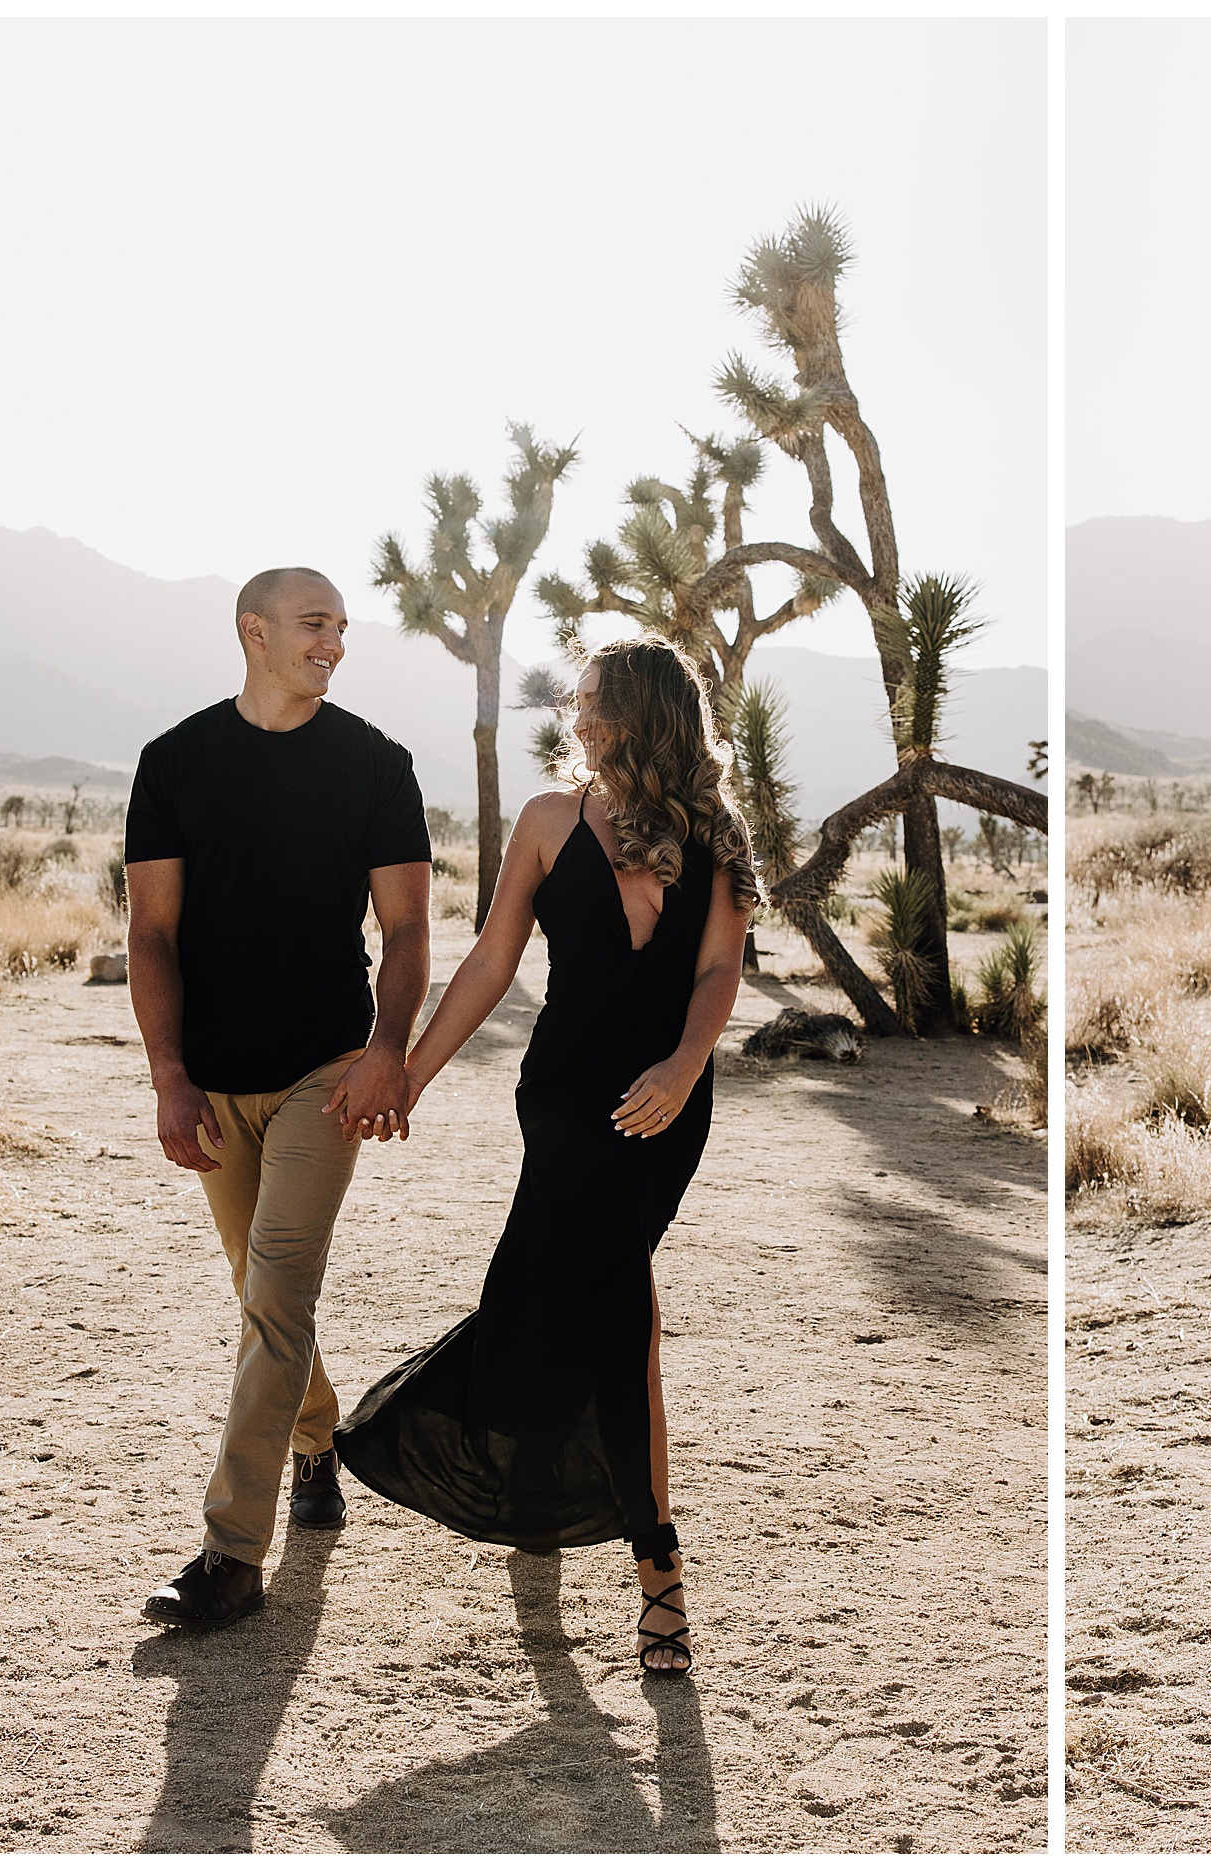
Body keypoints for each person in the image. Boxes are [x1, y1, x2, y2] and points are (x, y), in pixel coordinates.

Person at [335, 634, 752, 1675]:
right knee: (621, 1310)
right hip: (566, 1097)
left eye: (595, 700)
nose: (576, 714)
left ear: (644, 712)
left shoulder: (720, 835)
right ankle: (659, 1569)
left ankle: (537, 1489)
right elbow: (490, 957)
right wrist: (412, 1071)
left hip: (665, 1103)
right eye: (576, 699)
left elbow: (716, 973)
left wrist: (684, 1065)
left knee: (559, 1299)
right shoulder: (547, 821)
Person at [131, 567, 433, 1627]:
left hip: (324, 1071)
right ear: (254, 632)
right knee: (257, 1290)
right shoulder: (174, 762)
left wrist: (386, 1048)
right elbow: (152, 932)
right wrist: (169, 1074)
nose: (336, 643)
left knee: (279, 1284)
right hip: (213, 1078)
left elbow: (405, 930)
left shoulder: (374, 764)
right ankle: (316, 1439)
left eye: (344, 628)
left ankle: (229, 1554)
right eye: (316, 625)